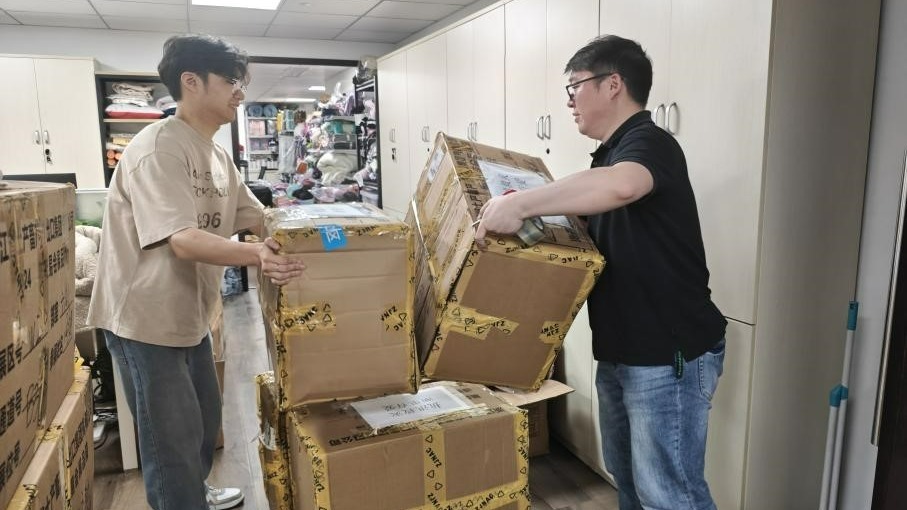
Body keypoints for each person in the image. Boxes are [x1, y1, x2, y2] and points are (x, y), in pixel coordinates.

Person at [475, 35, 727, 510]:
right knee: (629, 482)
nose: (569, 101)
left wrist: (523, 203)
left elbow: (624, 186)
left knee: (670, 495)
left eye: (575, 87)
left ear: (613, 84)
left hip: (666, 353)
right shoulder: (607, 156)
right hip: (622, 349)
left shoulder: (650, 143)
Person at [87, 34, 305, 510]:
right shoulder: (158, 149)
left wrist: (317, 228)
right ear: (191, 81)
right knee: (172, 441)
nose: (240, 92)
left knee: (205, 422)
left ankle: (192, 494)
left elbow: (255, 216)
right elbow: (182, 239)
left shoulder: (215, 153)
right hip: (144, 319)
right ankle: (181, 500)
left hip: (189, 312)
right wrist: (257, 256)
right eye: (231, 81)